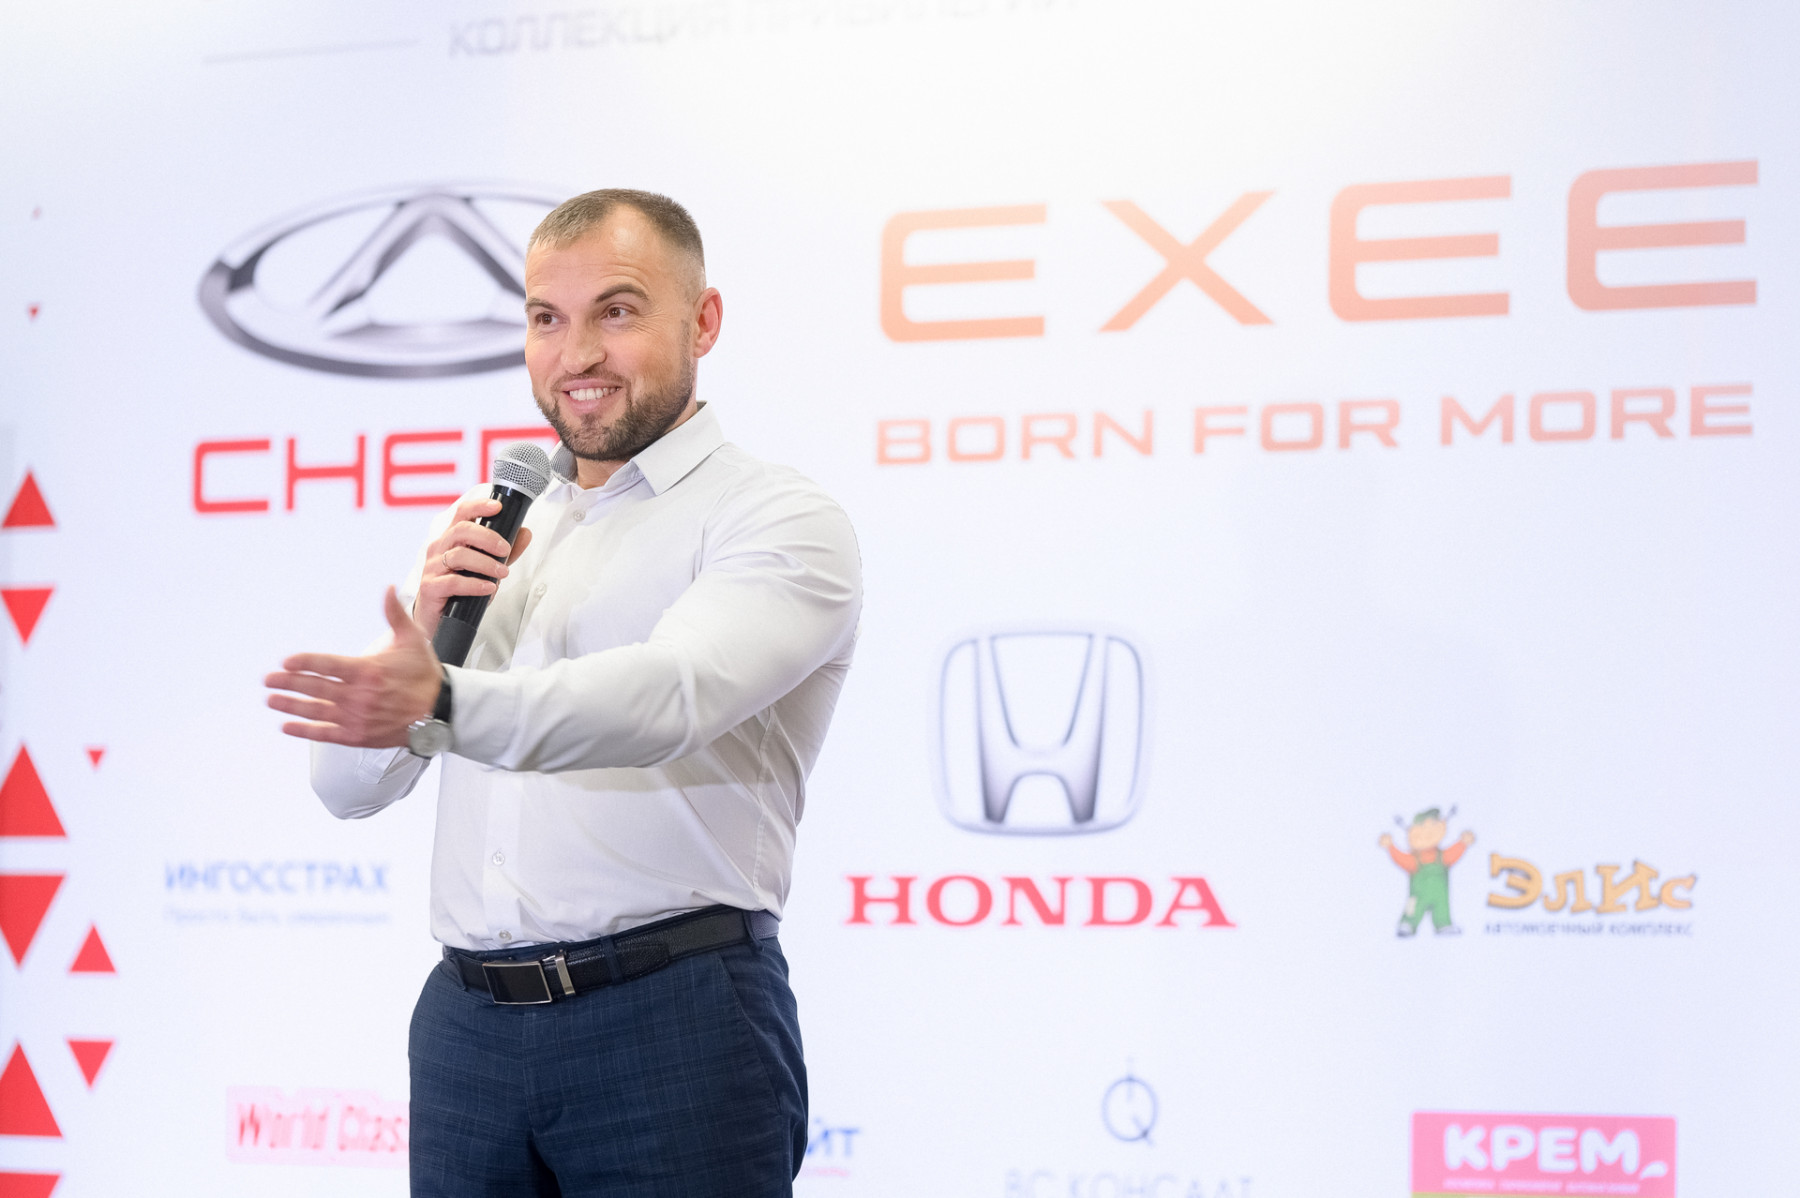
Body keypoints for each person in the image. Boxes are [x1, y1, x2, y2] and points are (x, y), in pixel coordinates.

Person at [263, 189, 862, 1196]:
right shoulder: (496, 526)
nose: (576, 353)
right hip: (466, 1028)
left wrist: (444, 703)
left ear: (703, 321)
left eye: (615, 312)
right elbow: (348, 788)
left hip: (672, 1019)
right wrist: (427, 629)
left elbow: (668, 697)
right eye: (547, 317)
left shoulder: (777, 517)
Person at [1378, 809, 1475, 936]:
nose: (1427, 833)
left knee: (1442, 908)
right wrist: (1391, 847)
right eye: (1422, 827)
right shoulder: (1415, 859)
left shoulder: (1442, 856)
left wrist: (1462, 843)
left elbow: (1453, 854)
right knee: (1412, 908)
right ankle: (1408, 924)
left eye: (1433, 824)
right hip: (1418, 895)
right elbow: (1402, 860)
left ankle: (1443, 924)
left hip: (1440, 895)